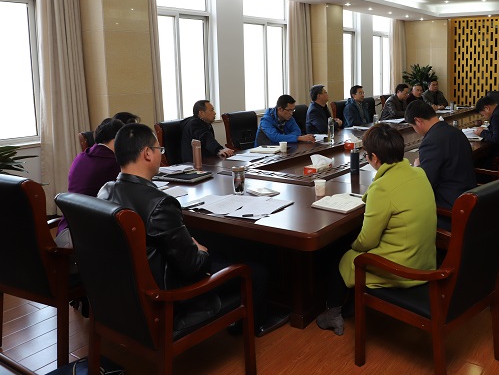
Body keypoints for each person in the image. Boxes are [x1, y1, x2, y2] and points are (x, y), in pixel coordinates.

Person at [99, 123, 288, 336]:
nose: (161, 154)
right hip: (171, 296)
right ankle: (253, 325)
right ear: (147, 154)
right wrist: (200, 250)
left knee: (218, 247)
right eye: (159, 149)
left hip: (126, 296)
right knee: (257, 273)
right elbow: (193, 267)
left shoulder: (105, 191)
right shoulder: (160, 203)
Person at [316, 124, 436, 335]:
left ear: (374, 157)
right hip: (425, 260)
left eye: (367, 156)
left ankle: (333, 313)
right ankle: (351, 304)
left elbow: (367, 241)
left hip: (402, 269)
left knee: (343, 255)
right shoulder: (419, 173)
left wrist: (351, 245)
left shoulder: (382, 187)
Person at [405, 101, 475, 229]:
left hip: (449, 209)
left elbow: (424, 184)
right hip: (469, 199)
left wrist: (417, 167)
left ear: (418, 121)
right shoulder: (455, 132)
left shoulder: (431, 141)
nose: (415, 130)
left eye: (412, 126)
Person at [57, 117, 124, 246]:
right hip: (85, 235)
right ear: (117, 139)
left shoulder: (82, 156)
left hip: (67, 227)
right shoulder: (113, 162)